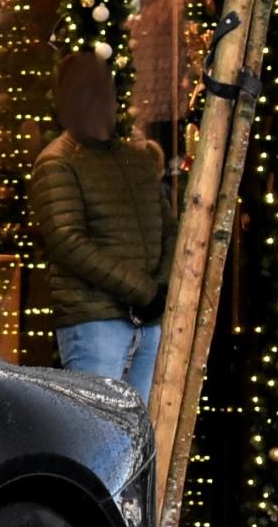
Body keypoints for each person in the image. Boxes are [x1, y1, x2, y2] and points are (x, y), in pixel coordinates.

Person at [30, 53, 173, 397]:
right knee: (97, 432)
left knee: (140, 433)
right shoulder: (57, 162)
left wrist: (161, 290)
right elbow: (66, 241)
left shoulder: (136, 160)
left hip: (146, 321)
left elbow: (169, 228)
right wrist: (147, 291)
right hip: (95, 320)